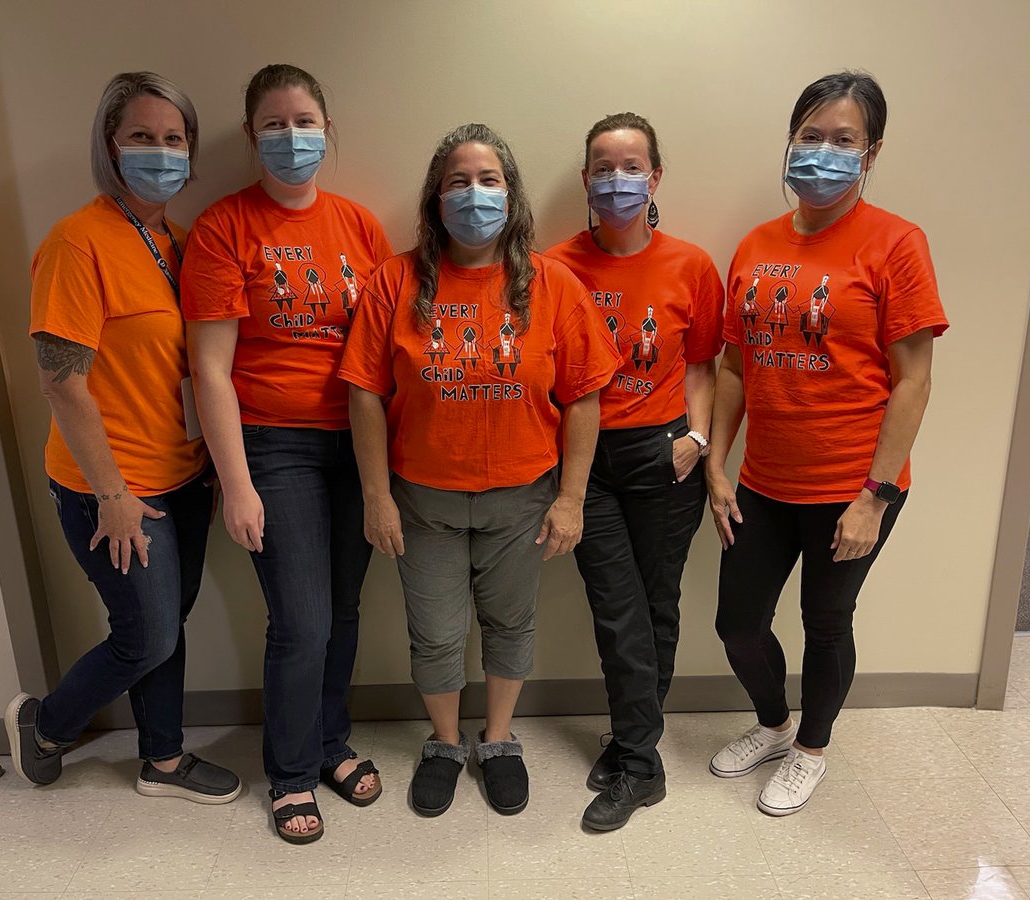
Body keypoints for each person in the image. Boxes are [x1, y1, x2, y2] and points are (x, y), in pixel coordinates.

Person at [341, 123, 619, 818]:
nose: (474, 195)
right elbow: (364, 395)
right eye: (458, 182)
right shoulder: (394, 282)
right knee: (434, 632)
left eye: (488, 180)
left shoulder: (554, 284)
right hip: (422, 499)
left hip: (523, 498)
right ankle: (443, 743)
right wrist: (376, 496)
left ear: (512, 195)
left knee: (509, 625)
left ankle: (497, 742)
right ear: (437, 201)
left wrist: (572, 499)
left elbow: (584, 399)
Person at [706, 71, 948, 816]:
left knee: (826, 623)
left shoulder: (896, 243)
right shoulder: (757, 244)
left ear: (870, 153)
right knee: (738, 623)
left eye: (843, 140)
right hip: (765, 479)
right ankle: (775, 725)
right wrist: (718, 464)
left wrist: (872, 497)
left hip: (854, 484)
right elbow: (736, 367)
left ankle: (811, 747)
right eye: (811, 136)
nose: (823, 152)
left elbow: (912, 380)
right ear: (790, 140)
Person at [5, 72, 240, 805]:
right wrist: (111, 493)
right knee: (146, 635)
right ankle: (45, 726)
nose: (160, 152)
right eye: (142, 137)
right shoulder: (79, 243)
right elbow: (59, 381)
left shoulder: (174, 241)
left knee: (165, 623)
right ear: (110, 146)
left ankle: (162, 761)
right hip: (112, 486)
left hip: (181, 473)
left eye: (174, 139)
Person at [181, 64, 392, 844]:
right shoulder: (224, 227)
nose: (292, 137)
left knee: (341, 611)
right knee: (300, 621)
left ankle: (331, 741)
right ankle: (294, 772)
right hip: (274, 449)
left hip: (358, 444)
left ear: (328, 131)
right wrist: (234, 482)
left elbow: (379, 350)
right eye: (275, 124)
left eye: (306, 122)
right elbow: (209, 367)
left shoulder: (361, 227)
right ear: (251, 135)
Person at [545, 112, 724, 831]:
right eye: (602, 167)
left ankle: (634, 752)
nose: (616, 180)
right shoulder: (554, 266)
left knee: (656, 606)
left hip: (665, 454)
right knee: (618, 611)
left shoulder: (692, 265)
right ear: (585, 179)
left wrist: (698, 437)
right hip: (589, 460)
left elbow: (706, 364)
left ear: (655, 177)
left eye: (631, 167)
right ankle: (640, 753)